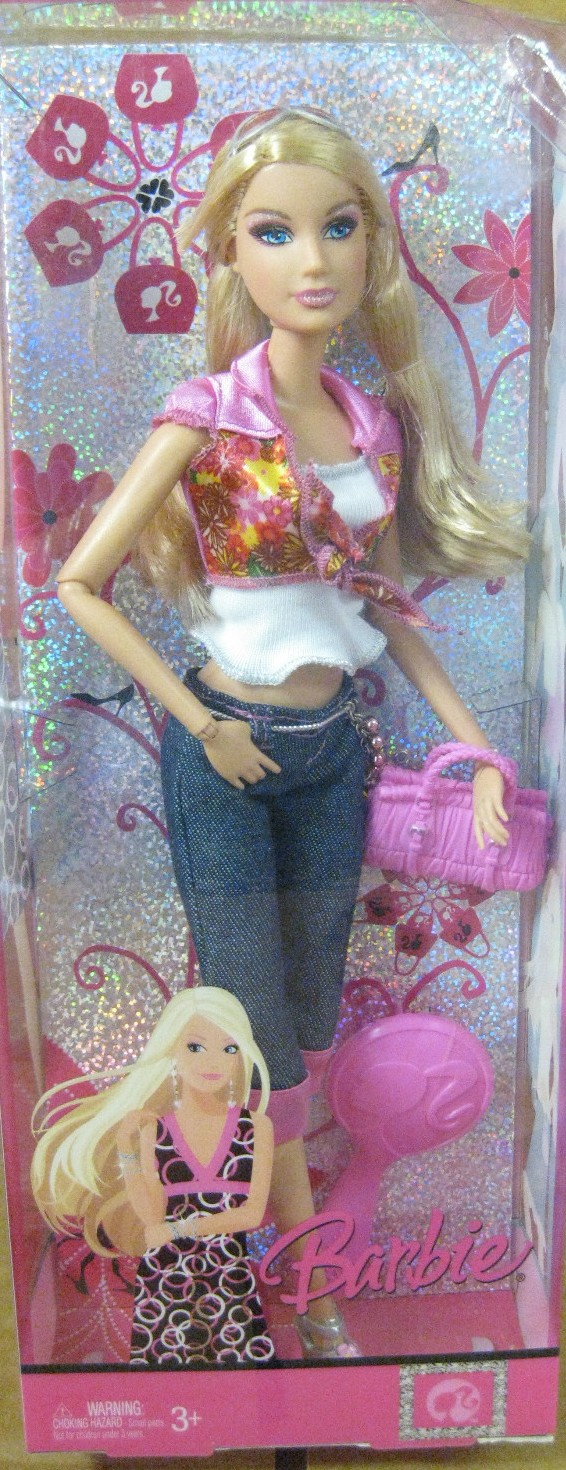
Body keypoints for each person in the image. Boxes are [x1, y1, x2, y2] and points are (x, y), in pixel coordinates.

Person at [56, 106, 529, 1356]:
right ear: (226, 249)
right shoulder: (206, 414)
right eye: (273, 232)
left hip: (328, 752)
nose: (311, 261)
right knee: (247, 1020)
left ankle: (269, 1254)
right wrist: (199, 723)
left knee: (308, 1011)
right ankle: (292, 1285)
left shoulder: (367, 424)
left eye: (338, 228)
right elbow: (78, 585)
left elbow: (380, 607)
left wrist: (474, 750)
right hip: (227, 748)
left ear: (371, 244)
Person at [31, 986, 275, 1367]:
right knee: (164, 1378)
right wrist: (127, 1149)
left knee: (240, 1375)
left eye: (229, 1048)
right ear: (172, 1050)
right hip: (166, 1279)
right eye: (195, 1047)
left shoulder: (255, 1127)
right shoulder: (157, 1130)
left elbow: (250, 1214)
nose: (213, 1061)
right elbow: (150, 1215)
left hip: (229, 1275)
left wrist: (179, 1229)